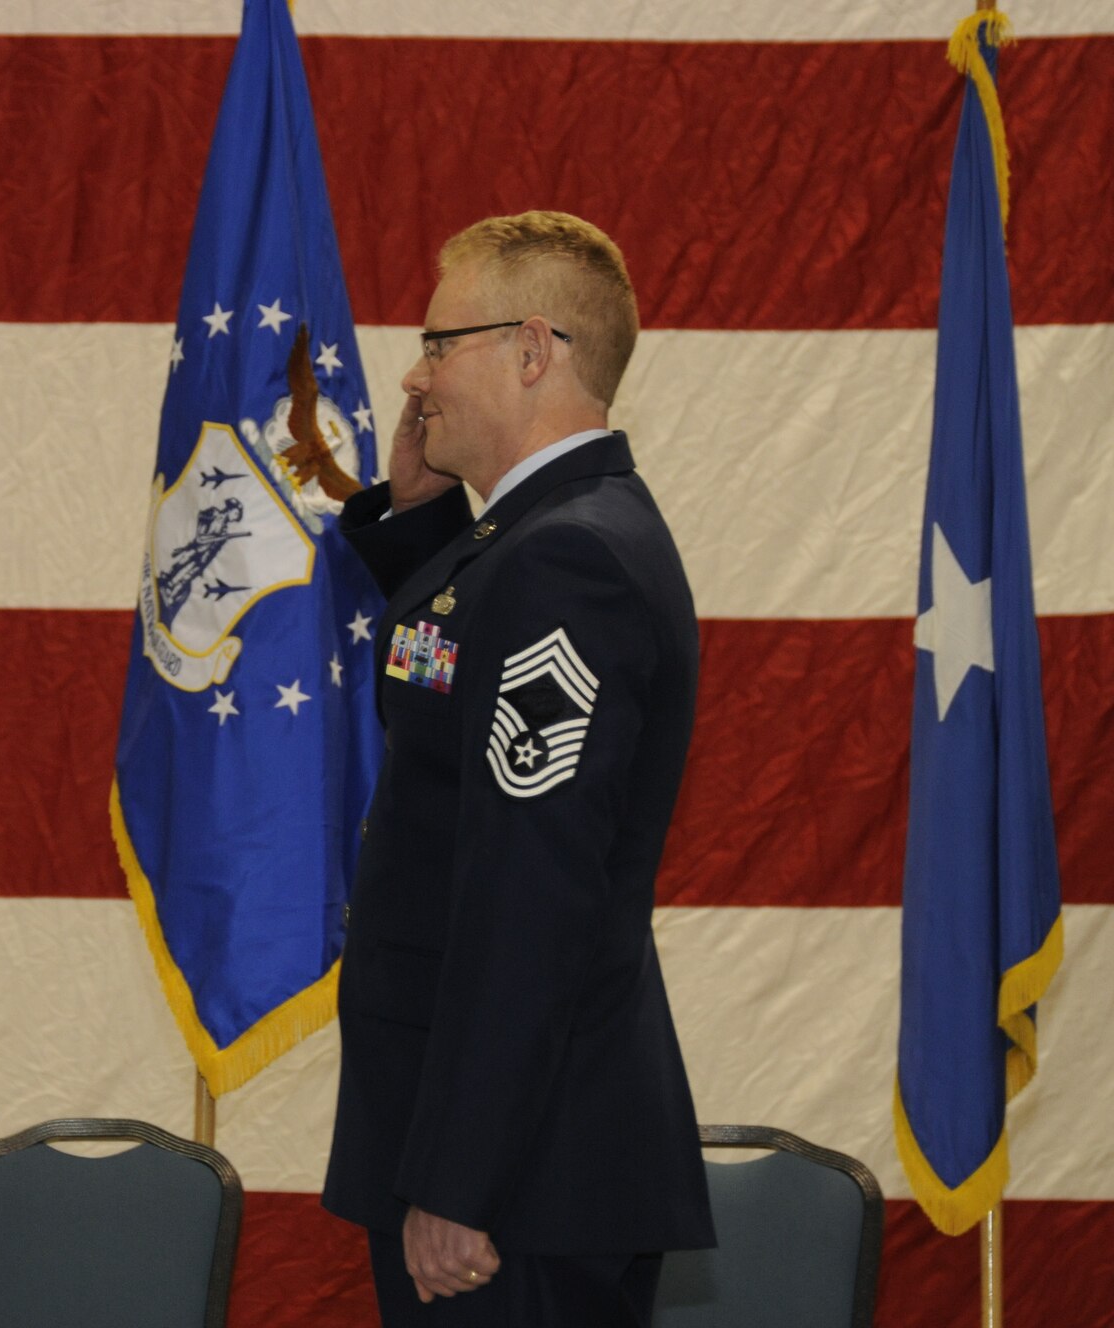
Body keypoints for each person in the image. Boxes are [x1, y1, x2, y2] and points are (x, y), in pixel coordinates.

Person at [322, 212, 715, 1326]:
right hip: (514, 1157)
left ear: (532, 348)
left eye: (441, 341)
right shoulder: (535, 536)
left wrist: (457, 1178)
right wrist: (412, 517)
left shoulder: (568, 559)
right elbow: (453, 689)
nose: (415, 372)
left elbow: (528, 894)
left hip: (514, 1183)